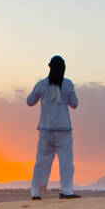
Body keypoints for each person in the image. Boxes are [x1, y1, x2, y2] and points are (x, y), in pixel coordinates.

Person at [27, 55, 80, 199]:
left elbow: (29, 101)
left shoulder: (41, 84)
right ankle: (66, 191)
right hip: (63, 130)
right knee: (66, 163)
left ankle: (36, 193)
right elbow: (74, 104)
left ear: (49, 67)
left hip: (45, 130)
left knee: (41, 164)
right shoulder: (68, 84)